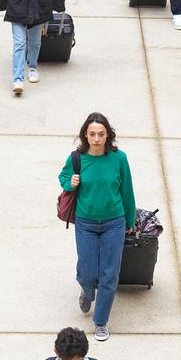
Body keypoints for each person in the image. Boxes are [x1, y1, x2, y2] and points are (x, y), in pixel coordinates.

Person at [58, 113, 135, 342]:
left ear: (108, 135)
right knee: (87, 270)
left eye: (101, 134)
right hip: (86, 223)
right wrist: (69, 182)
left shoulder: (119, 158)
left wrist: (130, 221)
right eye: (92, 134)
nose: (97, 138)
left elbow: (127, 190)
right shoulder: (77, 159)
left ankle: (101, 322)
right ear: (85, 135)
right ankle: (86, 289)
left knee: (109, 274)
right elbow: (63, 177)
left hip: (114, 222)